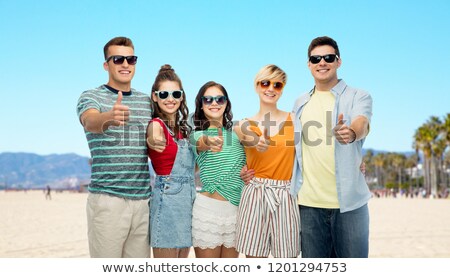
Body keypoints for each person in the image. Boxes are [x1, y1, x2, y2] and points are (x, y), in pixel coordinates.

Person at [291, 36, 373, 258]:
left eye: (328, 57)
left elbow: (362, 122)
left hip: (350, 206)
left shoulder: (359, 95)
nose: (322, 63)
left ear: (338, 61)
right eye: (315, 59)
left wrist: (351, 132)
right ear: (309, 64)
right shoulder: (299, 102)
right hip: (308, 206)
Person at [76, 36, 152, 258]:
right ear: (106, 65)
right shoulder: (91, 96)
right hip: (108, 201)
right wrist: (109, 117)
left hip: (143, 202)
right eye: (118, 59)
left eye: (131, 59)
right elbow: (90, 121)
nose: (126, 64)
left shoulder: (147, 102)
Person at [234, 65, 301, 258]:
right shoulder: (243, 124)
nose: (270, 88)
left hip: (286, 195)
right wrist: (258, 142)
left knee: (287, 260)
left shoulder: (295, 120)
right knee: (255, 260)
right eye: (265, 83)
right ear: (256, 86)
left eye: (277, 85)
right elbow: (247, 138)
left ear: (282, 89)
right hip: (255, 194)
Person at [190, 81, 246, 258]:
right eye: (208, 99)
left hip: (236, 212)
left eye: (219, 99)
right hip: (208, 212)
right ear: (201, 104)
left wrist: (247, 173)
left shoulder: (238, 135)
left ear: (226, 103)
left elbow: (248, 165)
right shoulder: (197, 135)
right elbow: (202, 143)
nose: (214, 103)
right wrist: (210, 142)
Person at [146, 64, 195, 258]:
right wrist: (153, 139)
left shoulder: (184, 130)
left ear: (181, 96)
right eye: (164, 94)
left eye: (175, 94)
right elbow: (153, 135)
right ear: (155, 96)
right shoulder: (156, 124)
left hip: (189, 201)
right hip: (167, 202)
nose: (170, 99)